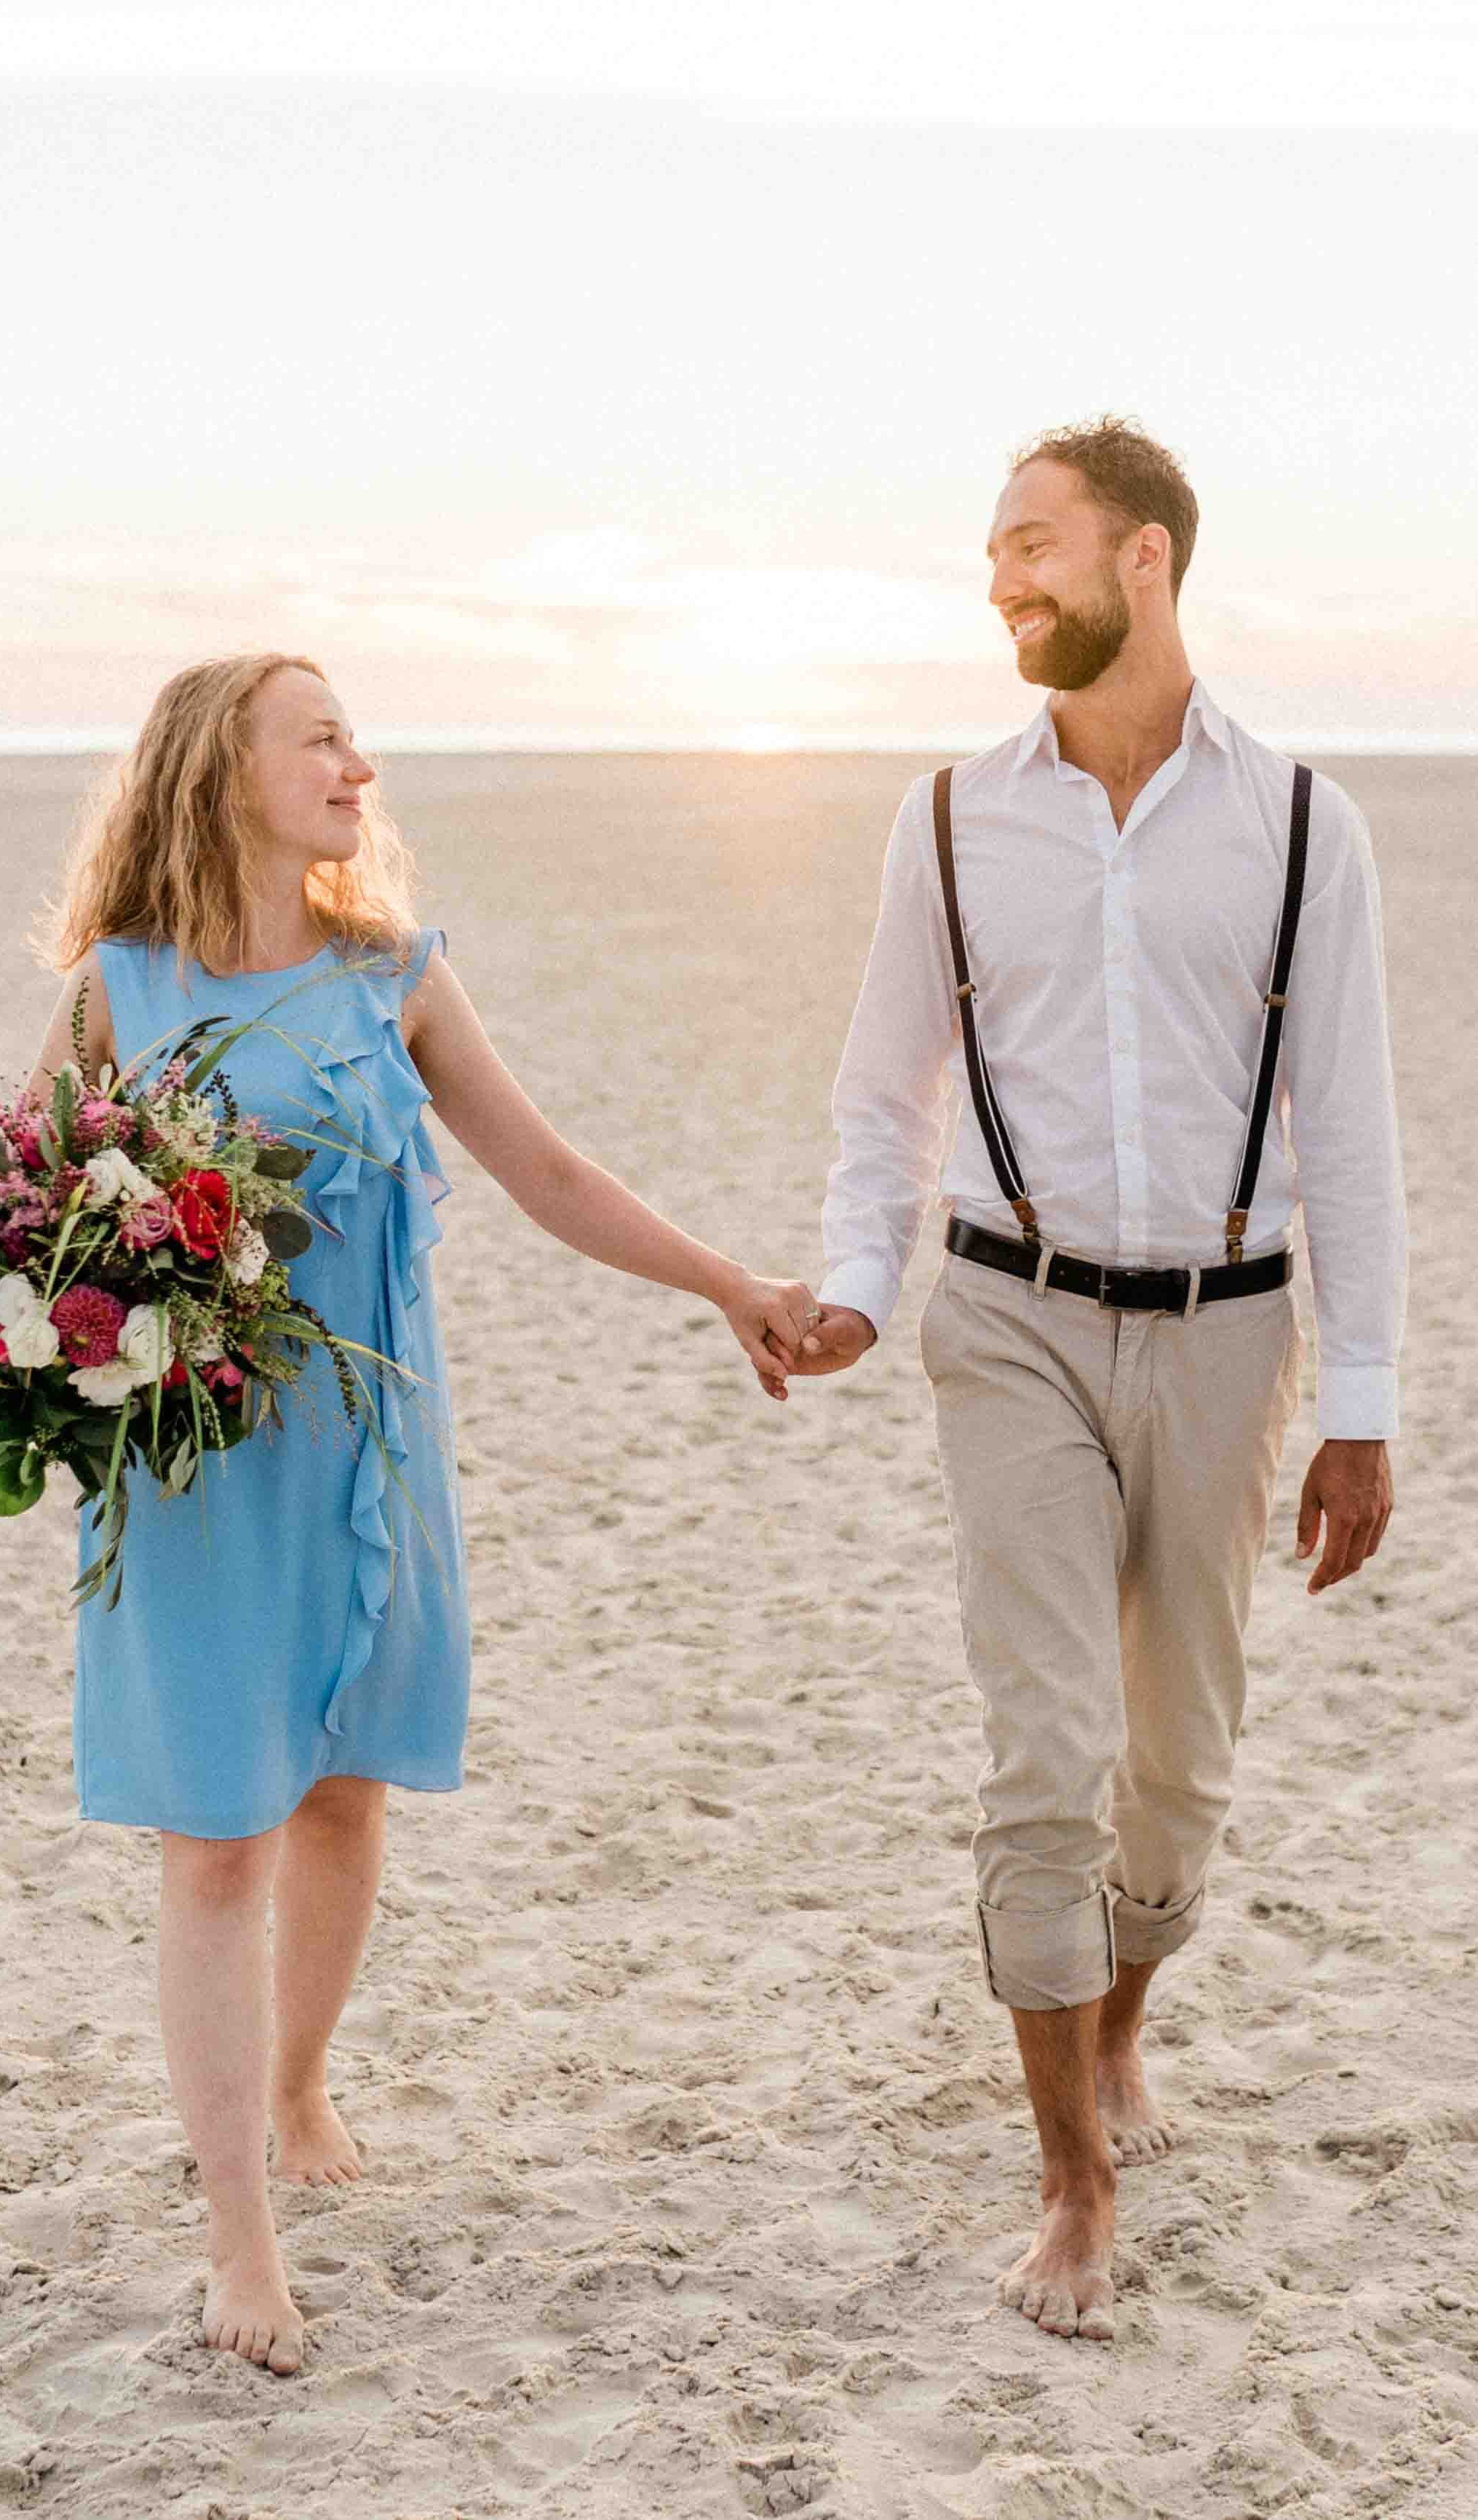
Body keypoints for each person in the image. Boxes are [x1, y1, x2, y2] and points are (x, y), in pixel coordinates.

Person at [26, 651, 817, 2376]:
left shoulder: (394, 976)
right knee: (216, 1834)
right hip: (193, 1472)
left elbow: (548, 1175)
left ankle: (300, 2081)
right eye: (320, 740)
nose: (356, 767)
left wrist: (724, 1284)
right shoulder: (120, 988)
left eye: (352, 741)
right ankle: (239, 2234)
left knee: (339, 1802)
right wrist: (32, 1341)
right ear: (220, 770)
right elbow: (21, 1204)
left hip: (366, 1456)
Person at [782, 420, 1405, 2345]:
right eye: (988, 549)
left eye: (1032, 543)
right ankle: (1072, 2169)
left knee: (1178, 1765)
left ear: (1146, 558)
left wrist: (1362, 1398)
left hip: (1230, 1327)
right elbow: (881, 1086)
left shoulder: (1301, 821)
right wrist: (855, 1288)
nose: (1001, 577)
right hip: (1007, 1320)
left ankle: (1117, 2016)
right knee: (1042, 1750)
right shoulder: (949, 819)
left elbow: (1351, 1125)